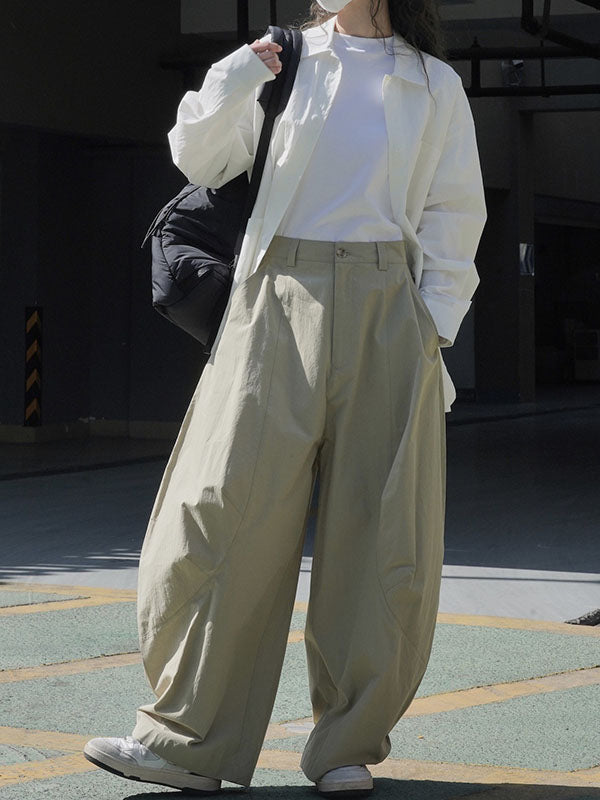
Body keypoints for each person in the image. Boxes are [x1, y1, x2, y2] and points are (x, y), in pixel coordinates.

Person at [83, 0, 487, 795]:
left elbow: (452, 214)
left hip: (388, 303)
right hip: (274, 294)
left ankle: (345, 746)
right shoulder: (283, 58)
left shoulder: (433, 83)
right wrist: (237, 76)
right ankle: (186, 741)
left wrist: (430, 329)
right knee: (218, 510)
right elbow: (199, 160)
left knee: (382, 533)